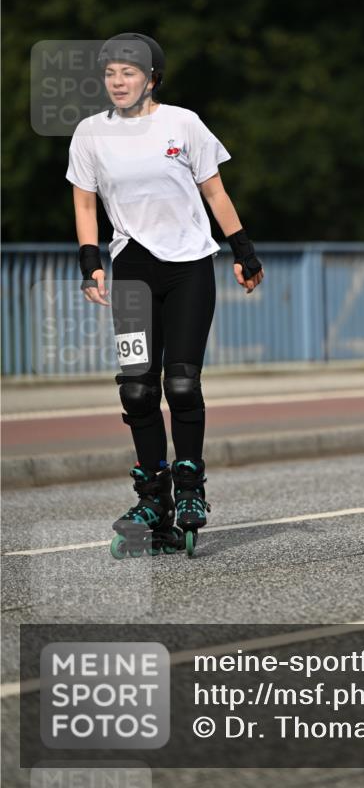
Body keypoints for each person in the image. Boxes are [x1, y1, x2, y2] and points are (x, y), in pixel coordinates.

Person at [66, 32, 264, 557]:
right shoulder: (89, 134)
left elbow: (215, 191)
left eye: (128, 73)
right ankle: (153, 495)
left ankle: (191, 485)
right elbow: (85, 205)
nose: (118, 82)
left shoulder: (183, 123)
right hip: (131, 269)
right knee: (136, 387)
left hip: (190, 267)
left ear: (152, 77)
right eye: (110, 73)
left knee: (180, 382)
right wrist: (91, 263)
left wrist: (243, 251)